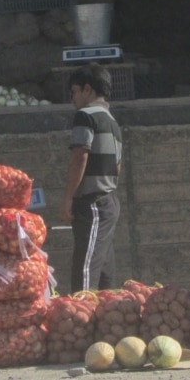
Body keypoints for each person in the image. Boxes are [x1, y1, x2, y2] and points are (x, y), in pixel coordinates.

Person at [60, 63, 123, 292]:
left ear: (88, 90)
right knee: (104, 268)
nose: (73, 99)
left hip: (93, 203)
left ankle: (82, 319)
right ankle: (108, 316)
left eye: (74, 92)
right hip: (109, 200)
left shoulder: (85, 116)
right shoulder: (112, 122)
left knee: (85, 268)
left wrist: (68, 198)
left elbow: (80, 156)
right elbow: (117, 166)